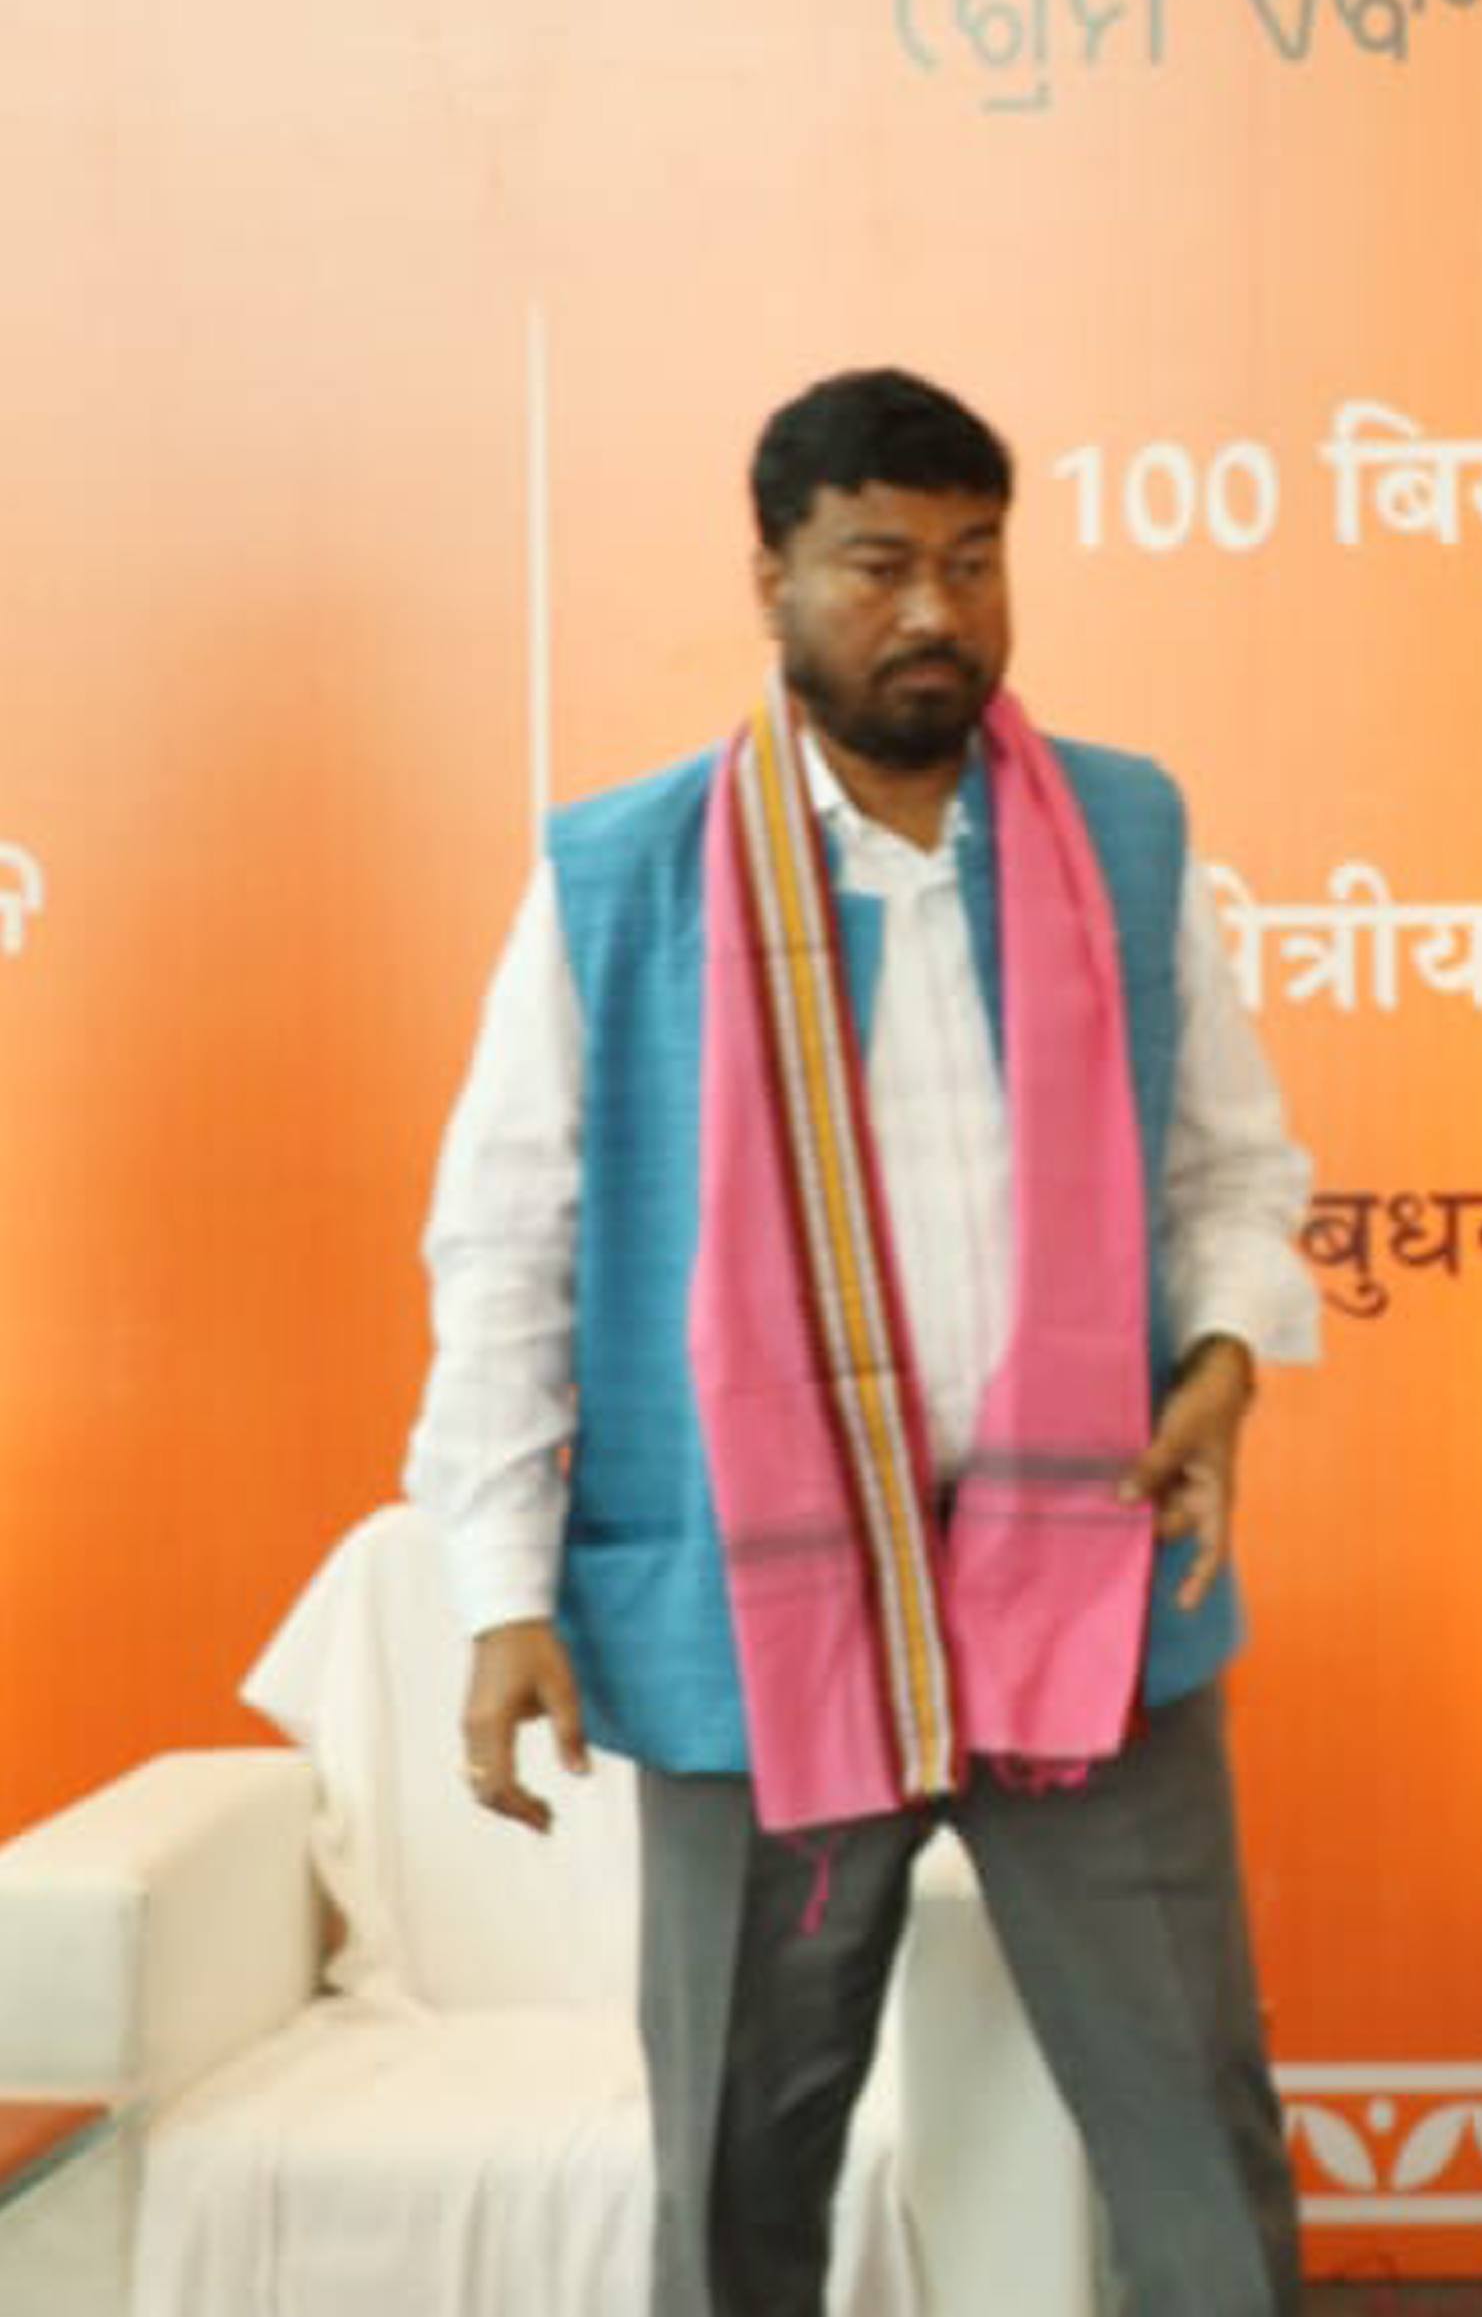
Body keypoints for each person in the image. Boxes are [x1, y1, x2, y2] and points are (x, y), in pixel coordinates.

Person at [408, 367, 1319, 2317]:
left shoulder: (1122, 835)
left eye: (974, 562)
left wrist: (1222, 1365)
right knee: (739, 2174)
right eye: (879, 564)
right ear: (772, 578)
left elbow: (1233, 1168)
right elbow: (504, 1249)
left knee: (1201, 2154)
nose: (934, 611)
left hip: (1085, 1590)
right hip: (765, 1621)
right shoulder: (623, 876)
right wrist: (502, 1593)